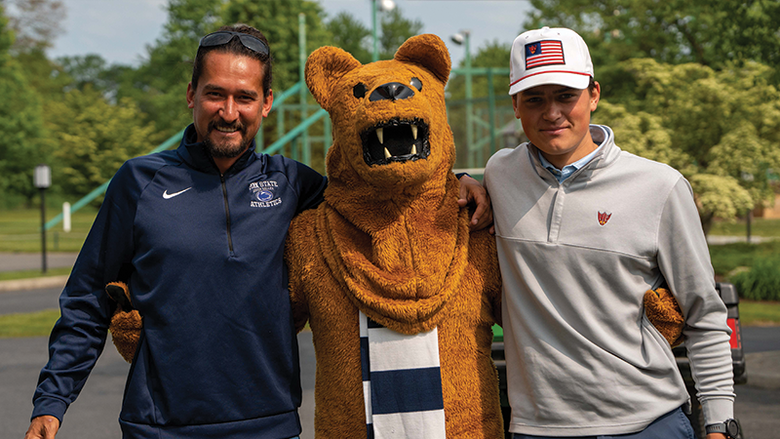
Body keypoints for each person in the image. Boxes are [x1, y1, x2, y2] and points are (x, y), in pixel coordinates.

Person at [24, 24, 491, 439]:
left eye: (244, 97)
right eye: (215, 94)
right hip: (158, 424)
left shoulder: (292, 184)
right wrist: (53, 400)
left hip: (269, 423)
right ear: (191, 95)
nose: (229, 112)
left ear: (265, 104)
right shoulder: (139, 182)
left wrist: (462, 181)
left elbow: (369, 190)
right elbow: (87, 297)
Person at [484, 27, 736, 439]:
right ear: (515, 105)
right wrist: (462, 181)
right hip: (537, 429)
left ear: (594, 95)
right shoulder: (498, 174)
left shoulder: (660, 186)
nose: (552, 113)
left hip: (648, 423)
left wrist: (719, 423)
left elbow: (704, 313)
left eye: (566, 95)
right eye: (535, 99)